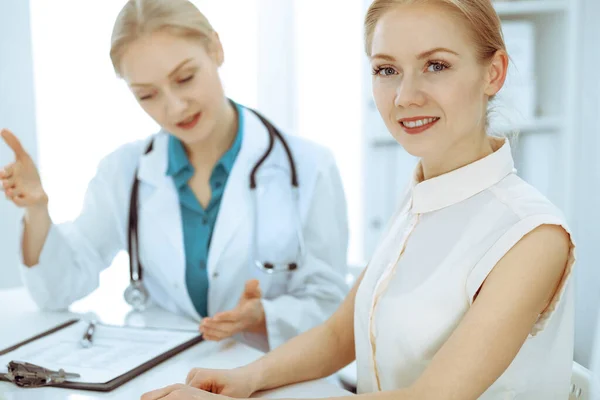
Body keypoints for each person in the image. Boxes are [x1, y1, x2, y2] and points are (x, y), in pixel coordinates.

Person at [141, 0, 576, 399]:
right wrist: (247, 378)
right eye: (387, 70)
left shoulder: (531, 235)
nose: (405, 97)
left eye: (436, 65)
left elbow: (431, 398)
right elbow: (338, 335)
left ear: (493, 72)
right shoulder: (421, 199)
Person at [0, 0, 349, 352]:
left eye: (185, 78)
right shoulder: (124, 173)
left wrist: (263, 316)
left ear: (216, 48)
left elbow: (330, 305)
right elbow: (58, 290)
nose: (174, 107)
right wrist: (37, 211)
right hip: (168, 373)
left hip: (272, 373)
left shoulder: (307, 165)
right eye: (147, 95)